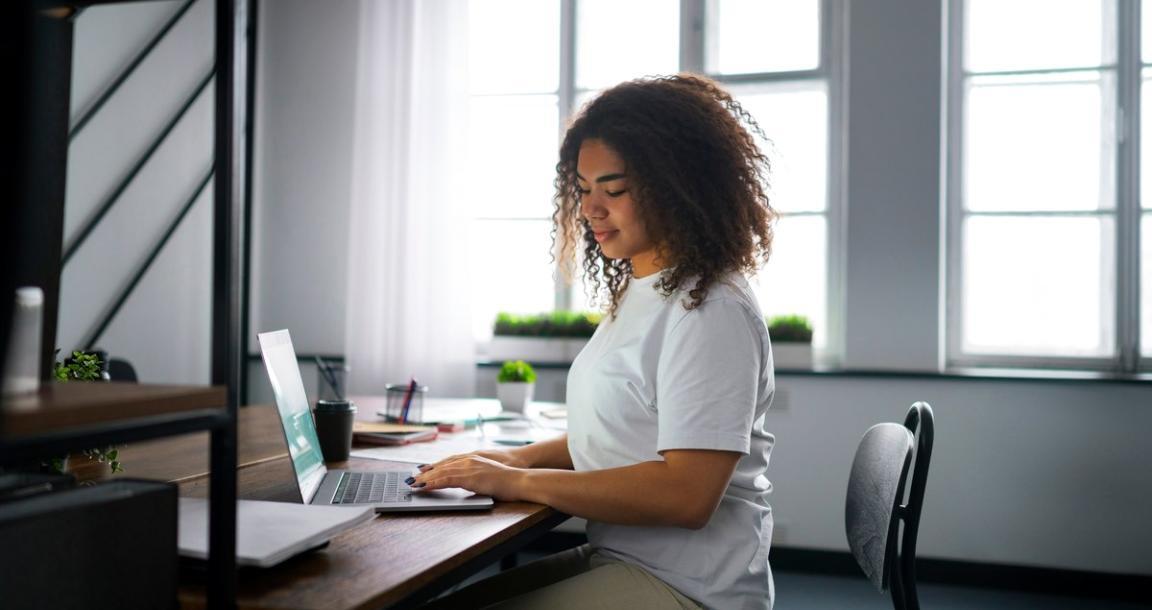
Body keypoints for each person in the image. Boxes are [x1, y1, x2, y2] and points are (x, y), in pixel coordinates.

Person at [414, 74, 778, 609]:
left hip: (692, 589)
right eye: (583, 190)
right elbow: (619, 434)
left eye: (614, 189)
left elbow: (687, 495)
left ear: (678, 187)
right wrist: (515, 460)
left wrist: (516, 482)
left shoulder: (710, 309)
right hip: (628, 559)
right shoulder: (646, 288)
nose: (590, 209)